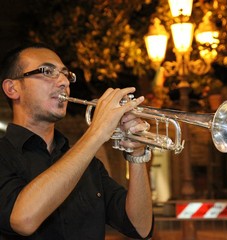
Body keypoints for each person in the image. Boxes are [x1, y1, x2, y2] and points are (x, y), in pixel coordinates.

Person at [0, 42, 153, 239]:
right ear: (12, 88)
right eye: (47, 71)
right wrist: (97, 132)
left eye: (66, 74)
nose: (64, 81)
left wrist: (137, 155)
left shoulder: (89, 165)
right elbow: (23, 220)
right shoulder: (4, 156)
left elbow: (141, 227)